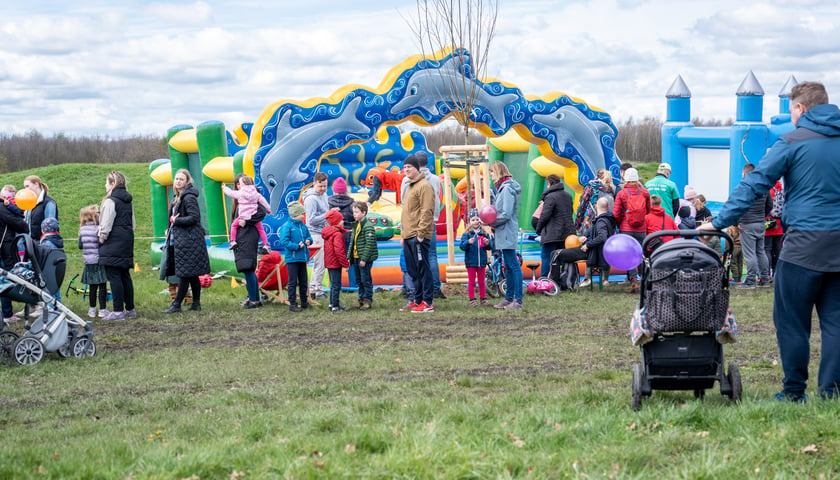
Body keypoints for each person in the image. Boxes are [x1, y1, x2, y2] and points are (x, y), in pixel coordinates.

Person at [698, 81, 840, 401]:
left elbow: (755, 184)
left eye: (792, 110)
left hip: (803, 247)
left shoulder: (791, 141)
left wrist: (718, 222)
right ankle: (831, 393)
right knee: (836, 324)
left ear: (801, 109)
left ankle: (793, 392)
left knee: (792, 322)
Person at [162, 169, 211, 314]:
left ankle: (176, 304)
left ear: (187, 181)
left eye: (181, 179)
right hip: (182, 240)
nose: (178, 181)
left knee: (184, 274)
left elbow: (194, 217)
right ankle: (196, 303)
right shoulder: (177, 197)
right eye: (176, 179)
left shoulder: (188, 197)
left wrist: (177, 221)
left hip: (190, 241)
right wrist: (169, 228)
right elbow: (173, 219)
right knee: (192, 274)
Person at [399, 154, 436, 313]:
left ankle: (427, 302)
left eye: (410, 167)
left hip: (418, 235)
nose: (406, 170)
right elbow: (407, 212)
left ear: (417, 168)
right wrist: (403, 234)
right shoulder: (409, 186)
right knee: (412, 270)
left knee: (423, 268)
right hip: (408, 235)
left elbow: (427, 210)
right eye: (405, 167)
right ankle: (417, 299)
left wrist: (421, 233)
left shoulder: (424, 186)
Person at [98, 171, 136, 321]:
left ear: (113, 184)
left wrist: (102, 237)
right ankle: (130, 309)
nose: (105, 185)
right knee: (125, 275)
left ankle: (118, 311)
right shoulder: (128, 201)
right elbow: (133, 224)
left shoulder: (110, 201)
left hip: (113, 242)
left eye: (106, 183)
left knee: (114, 276)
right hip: (126, 240)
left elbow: (106, 223)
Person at [489, 161, 523, 309]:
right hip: (503, 231)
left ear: (497, 172)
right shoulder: (502, 188)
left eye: (491, 173)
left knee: (513, 265)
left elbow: (506, 213)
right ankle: (508, 298)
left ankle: (518, 299)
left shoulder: (507, 189)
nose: (491, 176)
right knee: (508, 266)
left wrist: (493, 222)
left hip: (506, 230)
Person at [229, 174, 266, 309]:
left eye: (242, 183)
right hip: (240, 237)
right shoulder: (239, 199)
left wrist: (247, 221)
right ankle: (253, 297)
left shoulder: (253, 196)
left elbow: (262, 213)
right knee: (247, 269)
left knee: (248, 268)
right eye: (237, 184)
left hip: (248, 236)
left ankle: (254, 300)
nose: (240, 186)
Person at [612, 167, 650, 293]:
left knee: (629, 255)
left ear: (625, 179)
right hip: (641, 229)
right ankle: (645, 278)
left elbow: (616, 212)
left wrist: (621, 221)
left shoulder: (622, 193)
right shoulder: (645, 193)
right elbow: (648, 211)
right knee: (641, 254)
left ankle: (634, 281)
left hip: (626, 228)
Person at [735, 163, 772, 289]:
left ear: (744, 174)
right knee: (760, 252)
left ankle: (750, 281)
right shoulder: (764, 188)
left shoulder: (743, 187)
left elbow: (736, 207)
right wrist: (762, 217)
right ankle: (765, 279)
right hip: (760, 224)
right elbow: (769, 206)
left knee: (750, 254)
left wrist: (736, 222)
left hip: (747, 224)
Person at [535, 174, 575, 278]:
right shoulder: (568, 195)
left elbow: (544, 216)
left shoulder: (550, 197)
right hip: (566, 233)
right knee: (560, 257)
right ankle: (561, 279)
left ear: (549, 184)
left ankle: (545, 280)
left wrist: (538, 229)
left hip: (552, 233)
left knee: (546, 257)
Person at [0, 189, 29, 324]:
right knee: (5, 279)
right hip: (4, 249)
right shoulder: (2, 207)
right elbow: (22, 225)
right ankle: (7, 313)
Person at [222, 175, 271, 254]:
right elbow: (264, 202)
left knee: (234, 225)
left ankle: (233, 241)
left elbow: (230, 193)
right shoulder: (256, 194)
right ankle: (266, 244)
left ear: (242, 184)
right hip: (253, 214)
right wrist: (268, 209)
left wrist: (225, 188)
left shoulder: (240, 193)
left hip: (243, 216)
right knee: (261, 229)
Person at [279, 201, 312, 312]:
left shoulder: (303, 226)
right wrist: (296, 246)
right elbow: (284, 241)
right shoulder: (287, 227)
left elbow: (309, 236)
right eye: (301, 214)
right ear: (294, 214)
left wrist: (309, 241)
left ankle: (304, 302)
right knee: (292, 282)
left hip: (302, 258)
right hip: (292, 259)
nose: (303, 216)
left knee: (303, 281)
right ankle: (292, 303)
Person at [78, 205, 109, 318]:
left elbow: (80, 245)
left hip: (88, 262)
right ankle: (102, 309)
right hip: (99, 261)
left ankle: (91, 309)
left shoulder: (82, 230)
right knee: (102, 286)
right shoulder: (98, 229)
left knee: (92, 287)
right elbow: (101, 243)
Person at [303, 172, 330, 300]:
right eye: (320, 186)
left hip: (323, 231)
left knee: (320, 263)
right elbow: (311, 220)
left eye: (325, 186)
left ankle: (314, 288)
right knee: (320, 263)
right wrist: (327, 215)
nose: (323, 189)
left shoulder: (324, 195)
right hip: (315, 234)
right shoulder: (311, 199)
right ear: (314, 184)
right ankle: (316, 290)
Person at [579, 197, 616, 288]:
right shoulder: (608, 218)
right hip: (608, 251)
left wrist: (588, 244)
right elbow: (593, 229)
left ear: (595, 206)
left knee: (590, 250)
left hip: (599, 252)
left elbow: (602, 237)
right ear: (608, 207)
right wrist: (586, 235)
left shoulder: (601, 221)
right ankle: (605, 279)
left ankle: (588, 278)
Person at [460, 208, 493, 307]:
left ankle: (483, 299)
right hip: (471, 262)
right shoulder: (467, 234)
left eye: (477, 219)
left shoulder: (484, 234)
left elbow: (490, 247)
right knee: (471, 281)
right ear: (469, 221)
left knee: (482, 281)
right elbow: (462, 246)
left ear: (480, 220)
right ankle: (472, 300)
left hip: (482, 262)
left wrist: (487, 243)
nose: (475, 222)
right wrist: (468, 243)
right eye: (473, 219)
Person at [348, 201, 378, 310]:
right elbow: (352, 242)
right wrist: (349, 257)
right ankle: (361, 299)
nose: (354, 214)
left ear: (364, 213)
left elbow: (369, 244)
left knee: (366, 280)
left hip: (364, 258)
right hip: (356, 257)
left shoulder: (368, 226)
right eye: (353, 212)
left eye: (356, 212)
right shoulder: (356, 225)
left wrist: (364, 258)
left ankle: (368, 300)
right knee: (359, 280)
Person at [322, 209, 349, 312]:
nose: (343, 222)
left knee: (333, 284)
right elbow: (339, 251)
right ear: (336, 221)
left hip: (329, 262)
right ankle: (335, 306)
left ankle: (331, 303)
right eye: (341, 220)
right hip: (335, 263)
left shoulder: (328, 233)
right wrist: (345, 264)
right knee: (336, 285)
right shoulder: (337, 234)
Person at [22, 175, 57, 243]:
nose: (25, 189)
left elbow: (50, 227)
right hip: (29, 242)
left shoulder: (48, 203)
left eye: (27, 186)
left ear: (36, 184)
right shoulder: (29, 202)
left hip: (43, 243)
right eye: (24, 187)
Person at [764, 181, 785, 276]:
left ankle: (767, 273)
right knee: (778, 250)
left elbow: (767, 206)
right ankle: (776, 273)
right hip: (780, 225)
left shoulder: (768, 189)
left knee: (767, 249)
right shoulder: (782, 189)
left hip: (769, 224)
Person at [328, 177, 355, 247]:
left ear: (334, 190)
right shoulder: (352, 203)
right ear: (345, 190)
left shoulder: (327, 203)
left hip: (332, 235)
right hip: (348, 236)